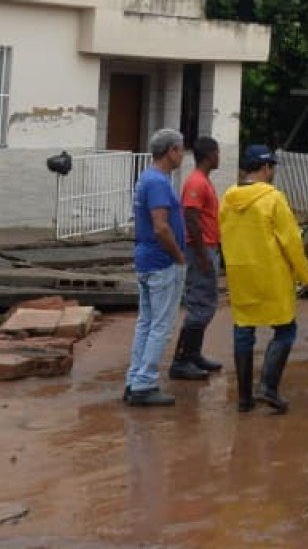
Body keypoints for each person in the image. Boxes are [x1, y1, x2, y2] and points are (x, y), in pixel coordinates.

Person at [219, 144, 308, 414]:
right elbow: (291, 241)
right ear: (264, 168)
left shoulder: (227, 198)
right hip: (271, 274)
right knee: (285, 329)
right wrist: (305, 275)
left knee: (243, 329)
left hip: (240, 274)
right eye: (271, 167)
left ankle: (245, 397)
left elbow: (222, 234)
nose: (272, 173)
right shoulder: (273, 199)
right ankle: (268, 386)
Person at [124, 128, 188, 407]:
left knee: (147, 323)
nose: (182, 155)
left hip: (147, 258)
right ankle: (144, 382)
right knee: (160, 325)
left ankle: (135, 378)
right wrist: (179, 257)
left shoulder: (148, 178)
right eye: (180, 149)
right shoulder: (159, 183)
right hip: (162, 261)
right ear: (171, 151)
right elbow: (161, 227)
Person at [169, 135, 224, 381]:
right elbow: (190, 217)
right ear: (210, 154)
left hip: (207, 248)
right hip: (199, 250)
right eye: (217, 153)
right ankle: (182, 360)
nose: (219, 157)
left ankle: (193, 355)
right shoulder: (196, 183)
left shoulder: (203, 181)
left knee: (207, 302)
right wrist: (202, 254)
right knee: (201, 304)